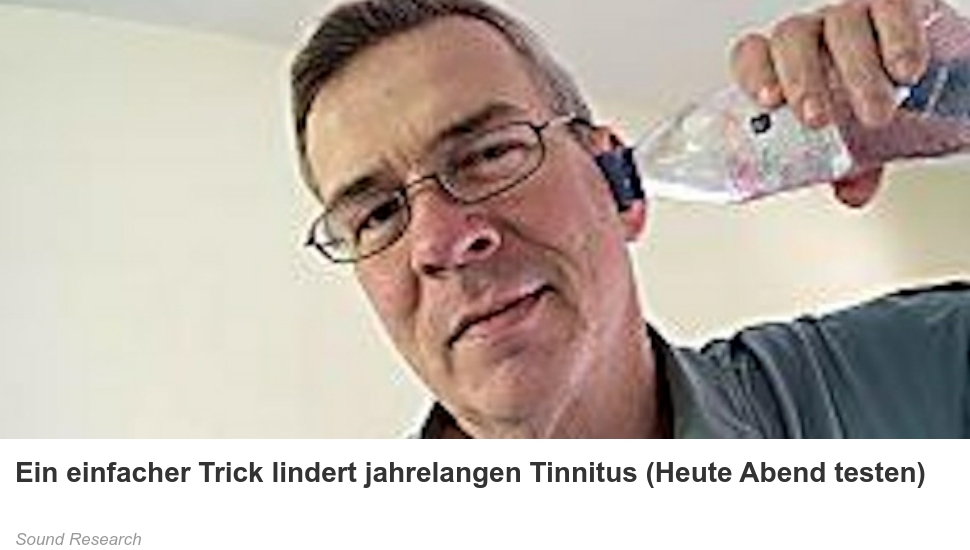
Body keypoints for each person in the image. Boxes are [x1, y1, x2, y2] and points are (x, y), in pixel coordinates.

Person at [290, 0, 969, 438]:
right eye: (378, 214)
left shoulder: (909, 380)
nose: (441, 241)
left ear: (622, 191)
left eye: (490, 154)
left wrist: (960, 85)